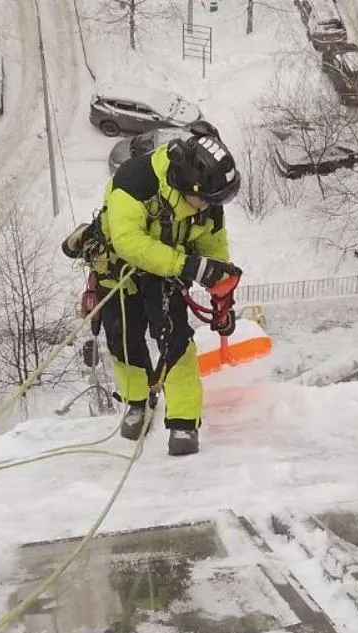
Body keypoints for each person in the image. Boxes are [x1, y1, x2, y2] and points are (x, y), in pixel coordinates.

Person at [89, 121, 243, 456]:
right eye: (204, 200)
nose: (208, 207)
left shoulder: (207, 201)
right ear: (187, 182)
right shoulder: (134, 182)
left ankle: (184, 421)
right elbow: (128, 241)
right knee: (123, 337)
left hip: (167, 269)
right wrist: (188, 266)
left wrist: (221, 296)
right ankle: (136, 402)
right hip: (120, 269)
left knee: (175, 340)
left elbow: (214, 247)